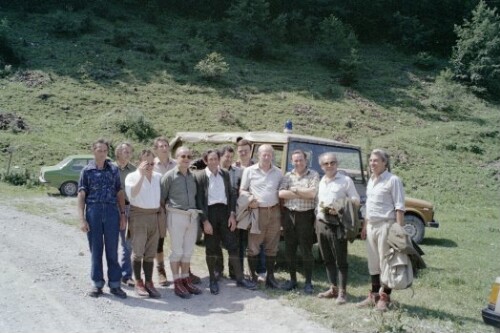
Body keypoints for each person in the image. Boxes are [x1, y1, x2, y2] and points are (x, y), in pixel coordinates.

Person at [195, 149, 257, 295]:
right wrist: (204, 221)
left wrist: (232, 214)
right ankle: (212, 279)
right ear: (205, 161)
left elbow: (231, 194)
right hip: (209, 213)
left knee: (233, 246)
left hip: (225, 213)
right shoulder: (200, 177)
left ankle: (240, 278)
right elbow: (198, 201)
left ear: (219, 160)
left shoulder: (225, 174)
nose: (214, 162)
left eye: (216, 159)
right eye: (210, 159)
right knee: (211, 247)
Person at [77, 139, 127, 299]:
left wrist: (123, 214)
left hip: (112, 212)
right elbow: (81, 194)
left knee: (112, 250)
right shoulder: (86, 171)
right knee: (96, 250)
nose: (103, 153)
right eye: (100, 150)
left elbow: (119, 192)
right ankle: (97, 284)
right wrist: (82, 219)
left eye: (105, 151)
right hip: (94, 211)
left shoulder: (113, 169)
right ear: (93, 151)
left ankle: (115, 284)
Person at [356, 149, 405, 311]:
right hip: (371, 226)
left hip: (387, 225)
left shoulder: (393, 180)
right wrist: (364, 226)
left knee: (386, 263)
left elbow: (399, 207)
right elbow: (369, 206)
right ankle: (374, 295)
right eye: (370, 160)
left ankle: (385, 297)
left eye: (376, 160)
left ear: (385, 163)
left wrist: (399, 231)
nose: (372, 163)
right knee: (373, 263)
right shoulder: (371, 180)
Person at [153, 136, 201, 286]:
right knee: (177, 251)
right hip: (175, 215)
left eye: (188, 156)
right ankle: (177, 281)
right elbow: (162, 198)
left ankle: (186, 278)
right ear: (177, 158)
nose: (186, 159)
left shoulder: (193, 176)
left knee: (188, 251)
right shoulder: (168, 176)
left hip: (192, 217)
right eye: (183, 156)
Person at [315, 153, 360, 304]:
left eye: (332, 162)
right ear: (322, 166)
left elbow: (355, 200)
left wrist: (340, 206)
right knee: (327, 258)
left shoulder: (345, 180)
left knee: (340, 259)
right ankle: (333, 288)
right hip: (322, 223)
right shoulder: (322, 180)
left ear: (337, 164)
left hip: (337, 224)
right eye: (326, 163)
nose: (329, 165)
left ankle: (342, 292)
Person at [240, 144, 282, 288]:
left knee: (272, 246)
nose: (266, 156)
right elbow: (242, 190)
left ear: (272, 156)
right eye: (264, 154)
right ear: (258, 155)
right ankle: (253, 276)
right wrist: (250, 199)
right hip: (257, 212)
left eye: (269, 154)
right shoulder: (249, 171)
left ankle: (270, 278)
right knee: (253, 246)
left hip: (274, 212)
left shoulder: (278, 172)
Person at [278, 150, 319, 294]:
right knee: (290, 249)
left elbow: (313, 194)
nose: (298, 163)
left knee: (306, 250)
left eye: (300, 160)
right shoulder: (288, 176)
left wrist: (294, 190)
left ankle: (308, 282)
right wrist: (302, 192)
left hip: (305, 217)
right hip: (289, 216)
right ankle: (292, 280)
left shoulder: (313, 175)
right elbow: (281, 193)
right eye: (295, 160)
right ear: (291, 162)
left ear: (305, 160)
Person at [125, 149, 162, 298]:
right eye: (146, 163)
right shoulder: (132, 176)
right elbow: (132, 194)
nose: (150, 166)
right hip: (138, 215)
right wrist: (141, 175)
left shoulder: (158, 177)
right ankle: (138, 282)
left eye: (152, 163)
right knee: (138, 251)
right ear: (139, 162)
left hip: (154, 216)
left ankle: (149, 281)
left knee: (150, 252)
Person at [152, 136, 177, 287]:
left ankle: (185, 270)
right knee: (159, 241)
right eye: (160, 146)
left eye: (166, 145)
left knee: (179, 240)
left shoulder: (176, 164)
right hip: (158, 208)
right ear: (155, 149)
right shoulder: (151, 165)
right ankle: (161, 270)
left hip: (175, 208)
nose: (164, 148)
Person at [215, 145, 243, 280]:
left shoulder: (238, 172)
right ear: (220, 157)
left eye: (231, 157)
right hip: (216, 212)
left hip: (232, 211)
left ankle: (233, 272)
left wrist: (233, 213)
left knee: (233, 244)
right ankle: (218, 271)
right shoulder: (213, 172)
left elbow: (237, 192)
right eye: (227, 157)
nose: (229, 160)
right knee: (216, 242)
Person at [113, 142, 136, 287]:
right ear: (118, 153)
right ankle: (113, 274)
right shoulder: (110, 168)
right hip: (111, 209)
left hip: (128, 209)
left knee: (127, 244)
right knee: (111, 243)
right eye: (124, 151)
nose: (127, 153)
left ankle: (126, 275)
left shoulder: (133, 170)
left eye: (129, 151)